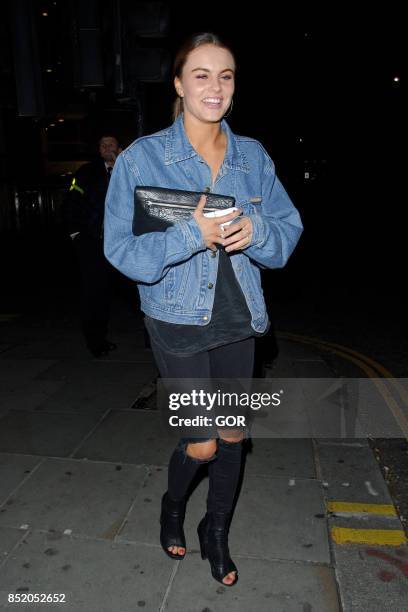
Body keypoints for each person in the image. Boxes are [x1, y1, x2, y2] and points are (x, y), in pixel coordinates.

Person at [103, 33, 303, 586]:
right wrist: (192, 234)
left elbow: (287, 232)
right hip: (175, 318)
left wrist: (255, 230)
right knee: (203, 440)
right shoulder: (142, 158)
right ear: (178, 83)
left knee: (234, 437)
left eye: (226, 75)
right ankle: (173, 507)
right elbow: (122, 251)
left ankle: (215, 532)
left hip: (241, 317)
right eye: (201, 74)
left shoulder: (253, 156)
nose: (214, 87)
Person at [63, 135, 122, 357]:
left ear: (119, 147)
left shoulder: (128, 170)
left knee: (136, 291)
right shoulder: (85, 173)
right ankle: (96, 342)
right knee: (94, 293)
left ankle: (152, 341)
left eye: (111, 144)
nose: (107, 148)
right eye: (102, 145)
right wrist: (75, 233)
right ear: (98, 150)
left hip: (124, 244)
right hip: (93, 243)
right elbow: (71, 201)